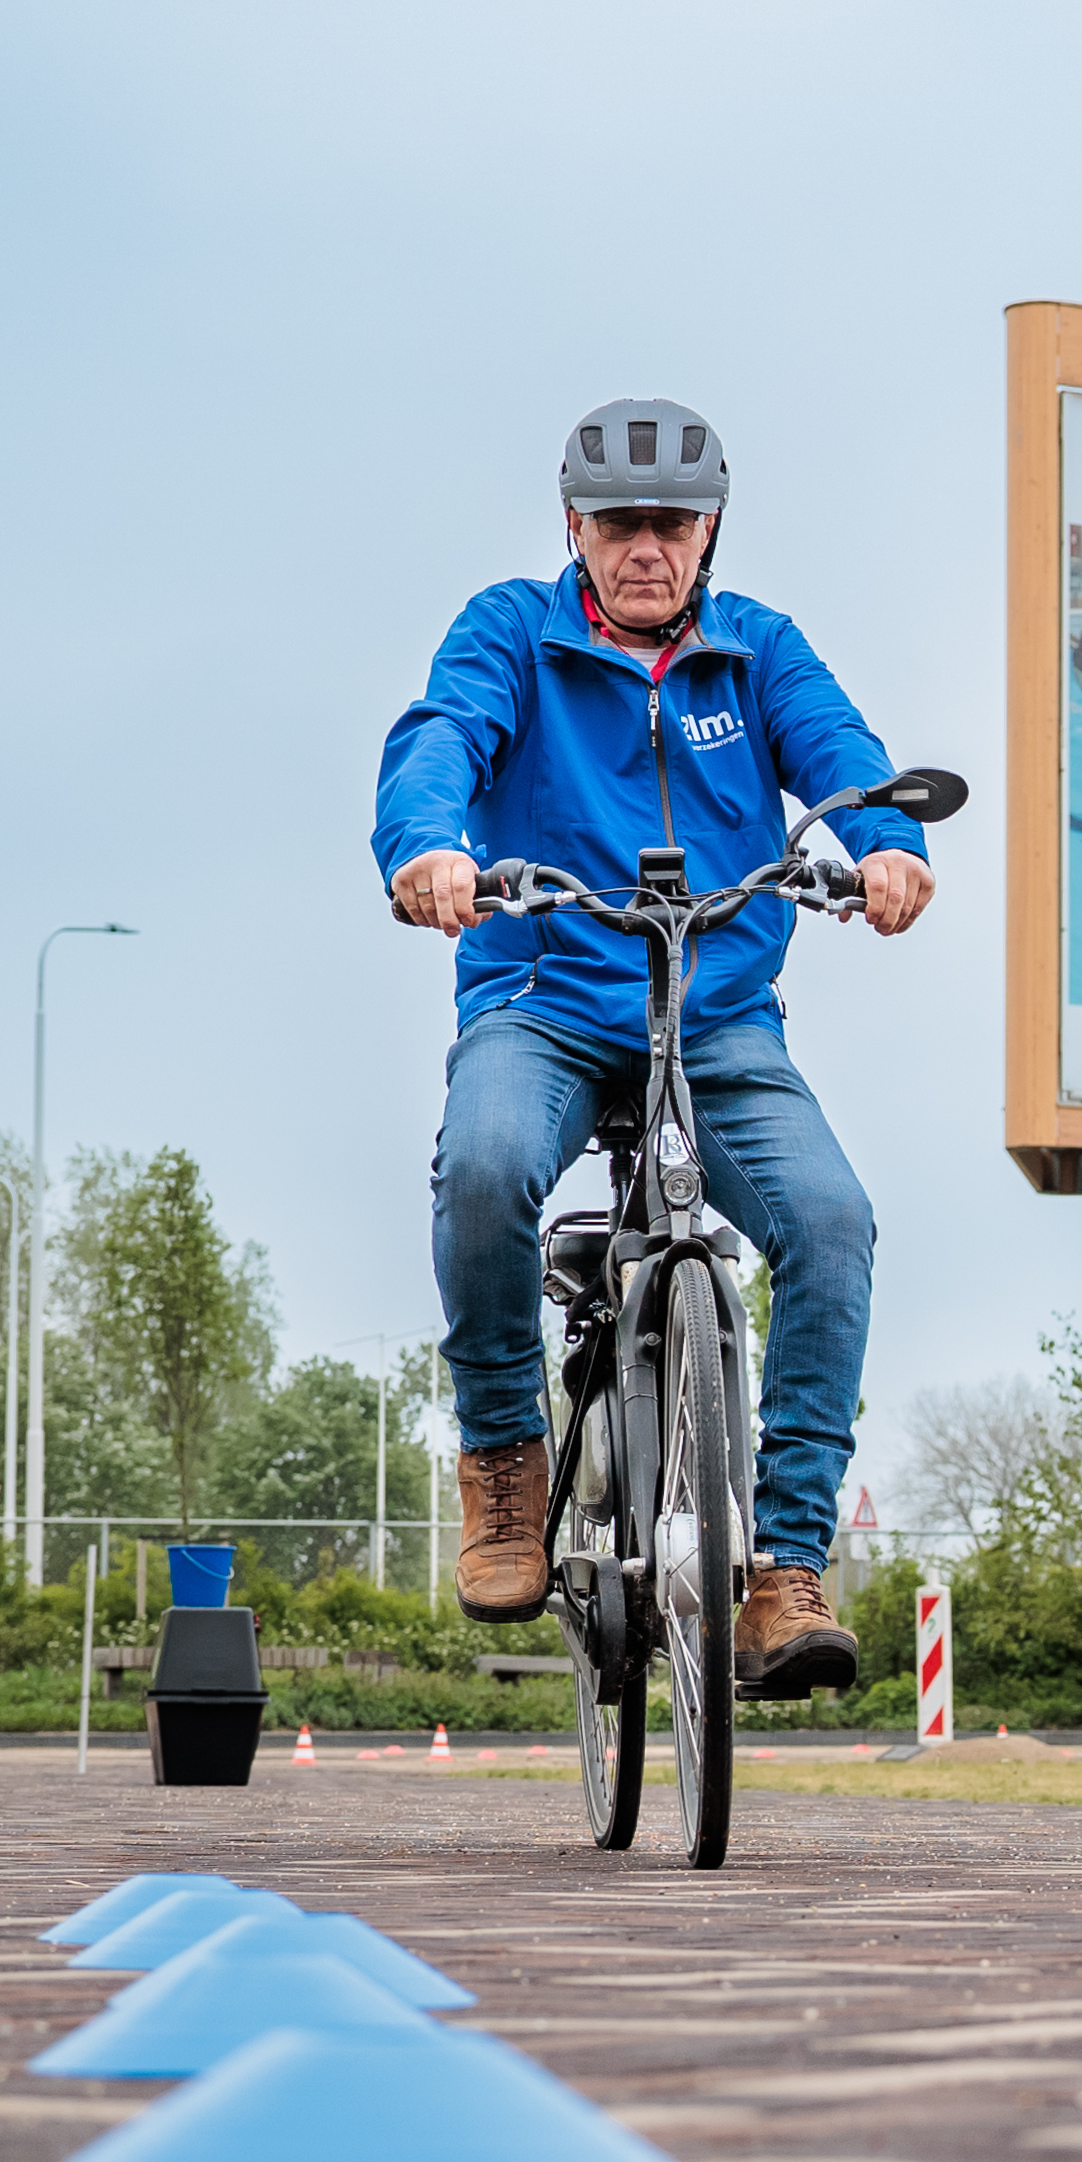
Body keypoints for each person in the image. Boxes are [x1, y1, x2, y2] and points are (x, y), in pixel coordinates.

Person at [372, 397, 931, 1696]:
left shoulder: (758, 651)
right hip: (546, 994)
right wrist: (430, 846)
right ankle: (504, 1463)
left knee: (833, 1223)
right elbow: (440, 738)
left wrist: (888, 845)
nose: (645, 549)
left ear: (708, 533)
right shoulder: (513, 631)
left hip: (717, 1015)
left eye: (671, 526)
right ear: (574, 526)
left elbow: (844, 757)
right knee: (486, 1167)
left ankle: (786, 1566)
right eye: (620, 523)